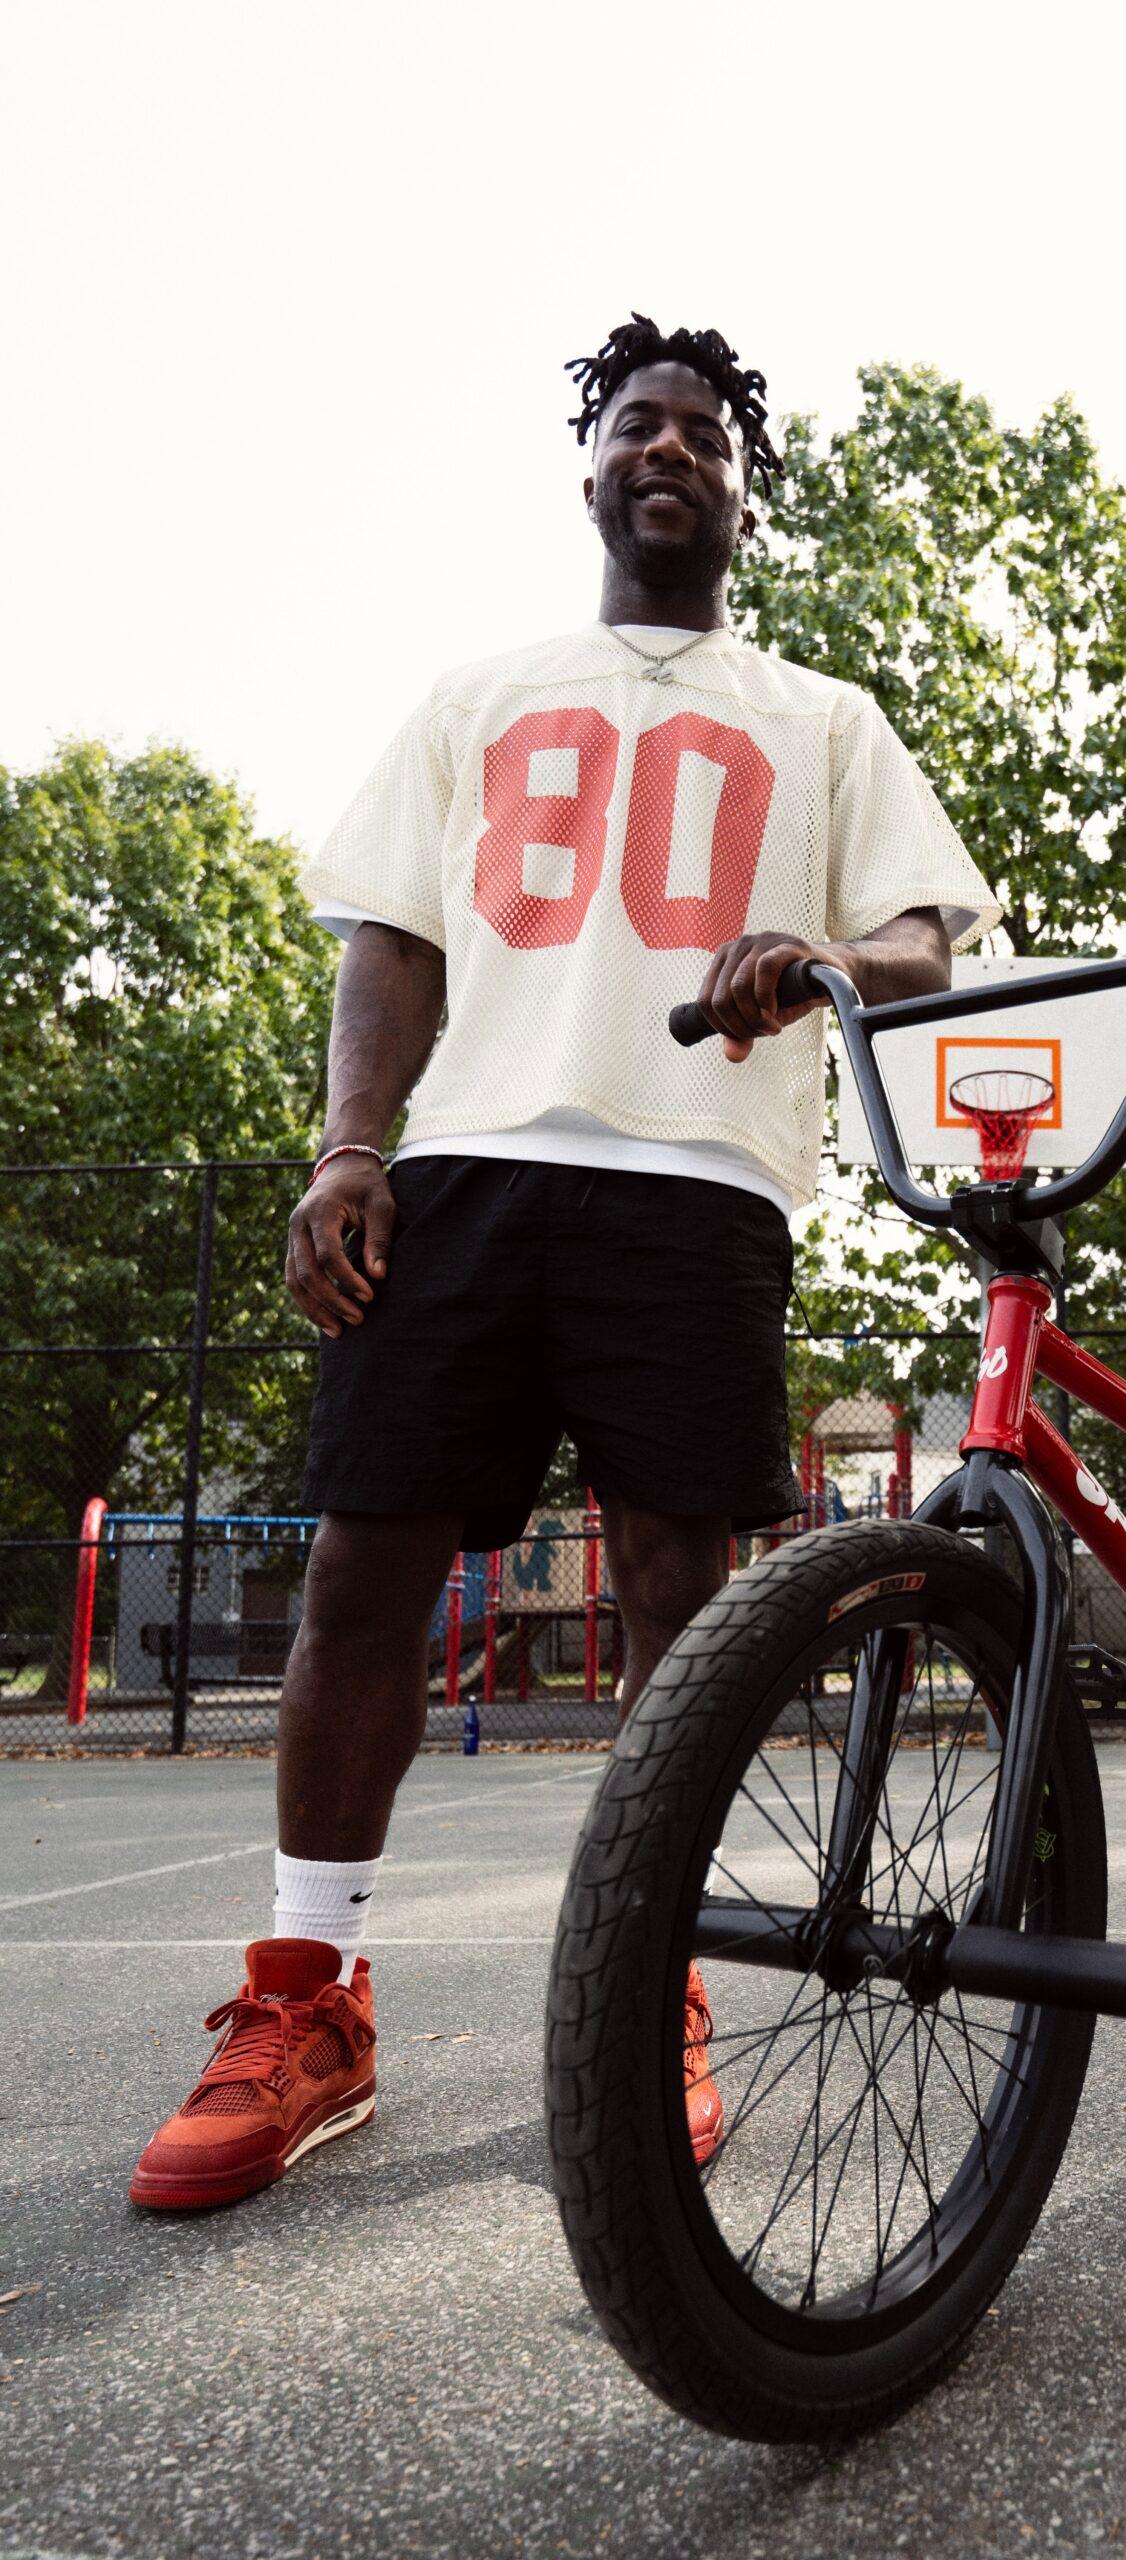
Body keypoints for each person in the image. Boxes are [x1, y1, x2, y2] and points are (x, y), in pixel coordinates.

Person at [129, 317, 997, 2211]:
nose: (668, 446)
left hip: (697, 1182)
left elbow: (932, 943)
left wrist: (826, 961)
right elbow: (394, 941)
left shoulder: (824, 719)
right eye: (634, 423)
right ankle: (311, 1994)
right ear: (589, 469)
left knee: (688, 1595)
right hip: (461, 1172)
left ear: (746, 488)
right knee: (363, 1567)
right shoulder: (479, 695)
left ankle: (659, 1976)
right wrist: (350, 1147)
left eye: (703, 429)